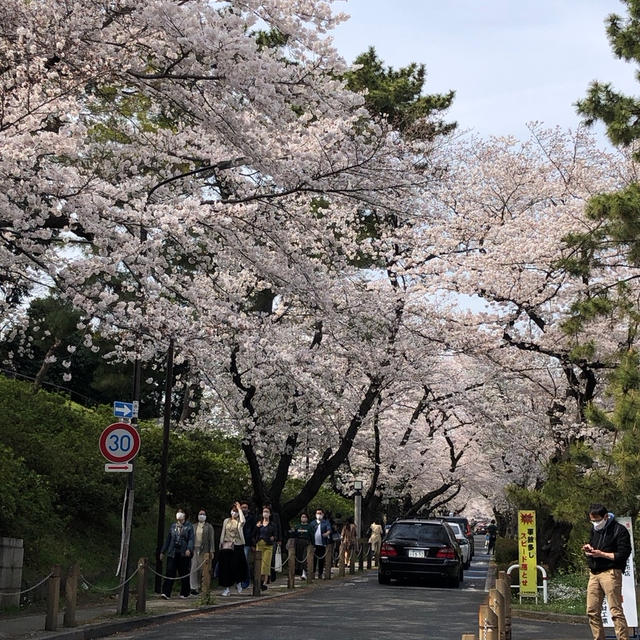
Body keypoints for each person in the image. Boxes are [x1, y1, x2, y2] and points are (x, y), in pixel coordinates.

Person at [582, 504, 632, 640]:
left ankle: (623, 638)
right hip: (594, 573)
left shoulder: (619, 530)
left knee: (615, 611)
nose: (595, 523)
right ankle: (598, 637)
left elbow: (622, 554)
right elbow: (594, 548)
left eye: (597, 520)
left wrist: (602, 554)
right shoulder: (595, 530)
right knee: (591, 611)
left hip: (610, 572)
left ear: (605, 516)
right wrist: (589, 550)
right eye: (592, 520)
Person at [160, 509, 194, 599]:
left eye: (182, 512)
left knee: (184, 572)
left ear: (185, 515)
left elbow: (191, 539)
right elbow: (168, 539)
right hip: (173, 552)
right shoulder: (173, 526)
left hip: (183, 553)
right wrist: (163, 551)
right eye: (178, 512)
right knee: (170, 572)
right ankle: (166, 593)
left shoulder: (189, 526)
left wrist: (189, 549)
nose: (179, 514)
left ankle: (185, 592)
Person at [218, 501, 248, 596]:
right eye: (232, 510)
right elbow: (223, 532)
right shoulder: (226, 521)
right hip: (227, 546)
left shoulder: (239, 521)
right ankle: (226, 588)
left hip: (237, 545)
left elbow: (243, 521)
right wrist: (221, 543)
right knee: (226, 567)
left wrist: (239, 509)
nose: (233, 513)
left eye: (235, 511)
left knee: (237, 566)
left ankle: (238, 582)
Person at [189, 508, 215, 595]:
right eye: (200, 514)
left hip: (204, 550)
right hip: (194, 549)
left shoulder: (209, 526)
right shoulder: (193, 526)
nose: (201, 515)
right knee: (193, 568)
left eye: (203, 514)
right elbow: (190, 538)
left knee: (203, 570)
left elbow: (211, 539)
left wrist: (212, 551)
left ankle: (202, 586)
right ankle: (193, 587)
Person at [254, 504, 278, 590]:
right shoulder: (259, 523)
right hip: (259, 545)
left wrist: (273, 538)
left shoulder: (273, 525)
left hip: (268, 546)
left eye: (267, 512)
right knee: (258, 565)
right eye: (264, 511)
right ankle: (258, 582)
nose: (265, 513)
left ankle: (262, 583)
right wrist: (257, 527)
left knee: (265, 565)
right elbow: (254, 534)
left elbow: (276, 536)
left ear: (270, 514)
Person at [310, 508, 332, 578]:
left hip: (322, 544)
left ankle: (320, 573)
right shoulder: (313, 523)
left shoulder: (326, 522)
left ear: (323, 514)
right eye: (317, 513)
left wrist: (326, 533)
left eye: (320, 513)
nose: (318, 515)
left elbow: (329, 530)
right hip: (314, 544)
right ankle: (312, 573)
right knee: (313, 559)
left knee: (321, 559)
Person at [240, 501, 255, 589]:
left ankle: (245, 581)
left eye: (245, 507)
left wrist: (253, 544)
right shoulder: (238, 518)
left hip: (247, 542)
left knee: (245, 562)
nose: (244, 509)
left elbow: (254, 531)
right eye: (242, 507)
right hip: (238, 542)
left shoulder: (252, 519)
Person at [293, 513, 314, 579]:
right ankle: (299, 572)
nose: (303, 518)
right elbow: (295, 534)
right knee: (299, 558)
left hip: (306, 543)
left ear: (307, 518)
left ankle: (304, 572)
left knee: (304, 558)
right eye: (302, 517)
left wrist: (313, 545)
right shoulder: (297, 526)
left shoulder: (309, 527)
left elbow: (312, 536)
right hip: (298, 543)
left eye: (305, 517)